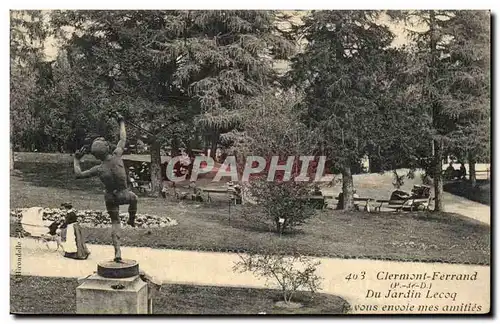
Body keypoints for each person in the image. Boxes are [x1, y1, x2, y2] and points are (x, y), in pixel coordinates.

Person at [73, 112, 137, 262]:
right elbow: (123, 138)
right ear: (108, 148)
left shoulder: (99, 169)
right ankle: (132, 219)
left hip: (110, 197)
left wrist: (76, 160)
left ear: (96, 156)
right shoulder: (117, 155)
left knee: (115, 223)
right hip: (124, 194)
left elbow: (79, 174)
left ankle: (118, 252)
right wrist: (121, 121)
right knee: (134, 199)